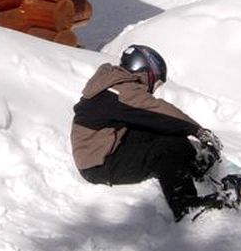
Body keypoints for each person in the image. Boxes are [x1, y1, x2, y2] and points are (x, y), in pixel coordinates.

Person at [71, 44, 228, 221]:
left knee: (161, 132)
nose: (154, 87)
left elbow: (155, 118)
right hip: (98, 165)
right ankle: (186, 205)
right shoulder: (119, 92)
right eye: (157, 81)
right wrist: (198, 131)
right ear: (147, 72)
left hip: (104, 149)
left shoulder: (114, 84)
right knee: (165, 146)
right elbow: (158, 111)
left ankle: (194, 166)